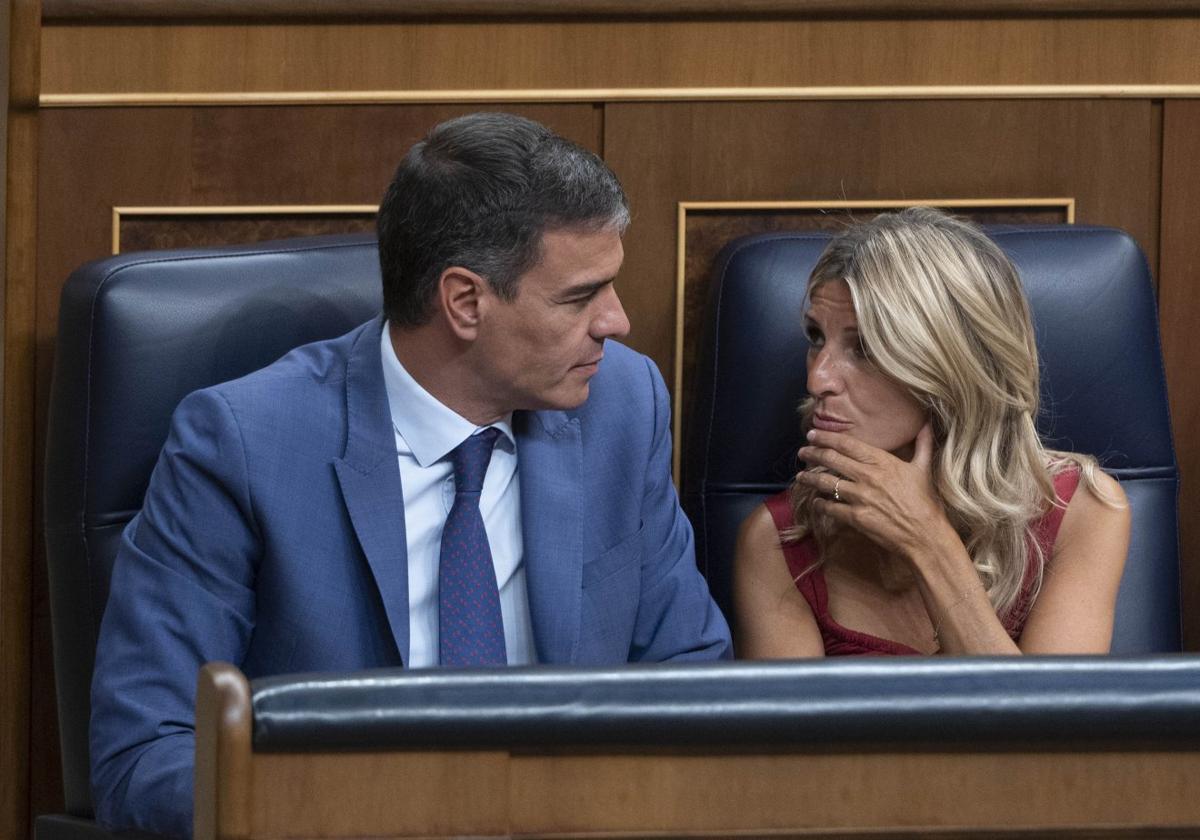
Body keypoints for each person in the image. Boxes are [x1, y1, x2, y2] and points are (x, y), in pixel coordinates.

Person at [90, 112, 731, 838]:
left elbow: (691, 683)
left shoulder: (622, 404)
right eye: (580, 297)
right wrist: (379, 813)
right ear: (465, 302)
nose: (615, 322)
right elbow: (147, 757)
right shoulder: (242, 445)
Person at [735, 207, 1130, 659]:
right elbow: (794, 731)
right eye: (815, 337)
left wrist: (927, 542)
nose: (817, 380)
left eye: (863, 347)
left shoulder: (1081, 508)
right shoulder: (779, 540)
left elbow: (1048, 727)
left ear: (952, 365)